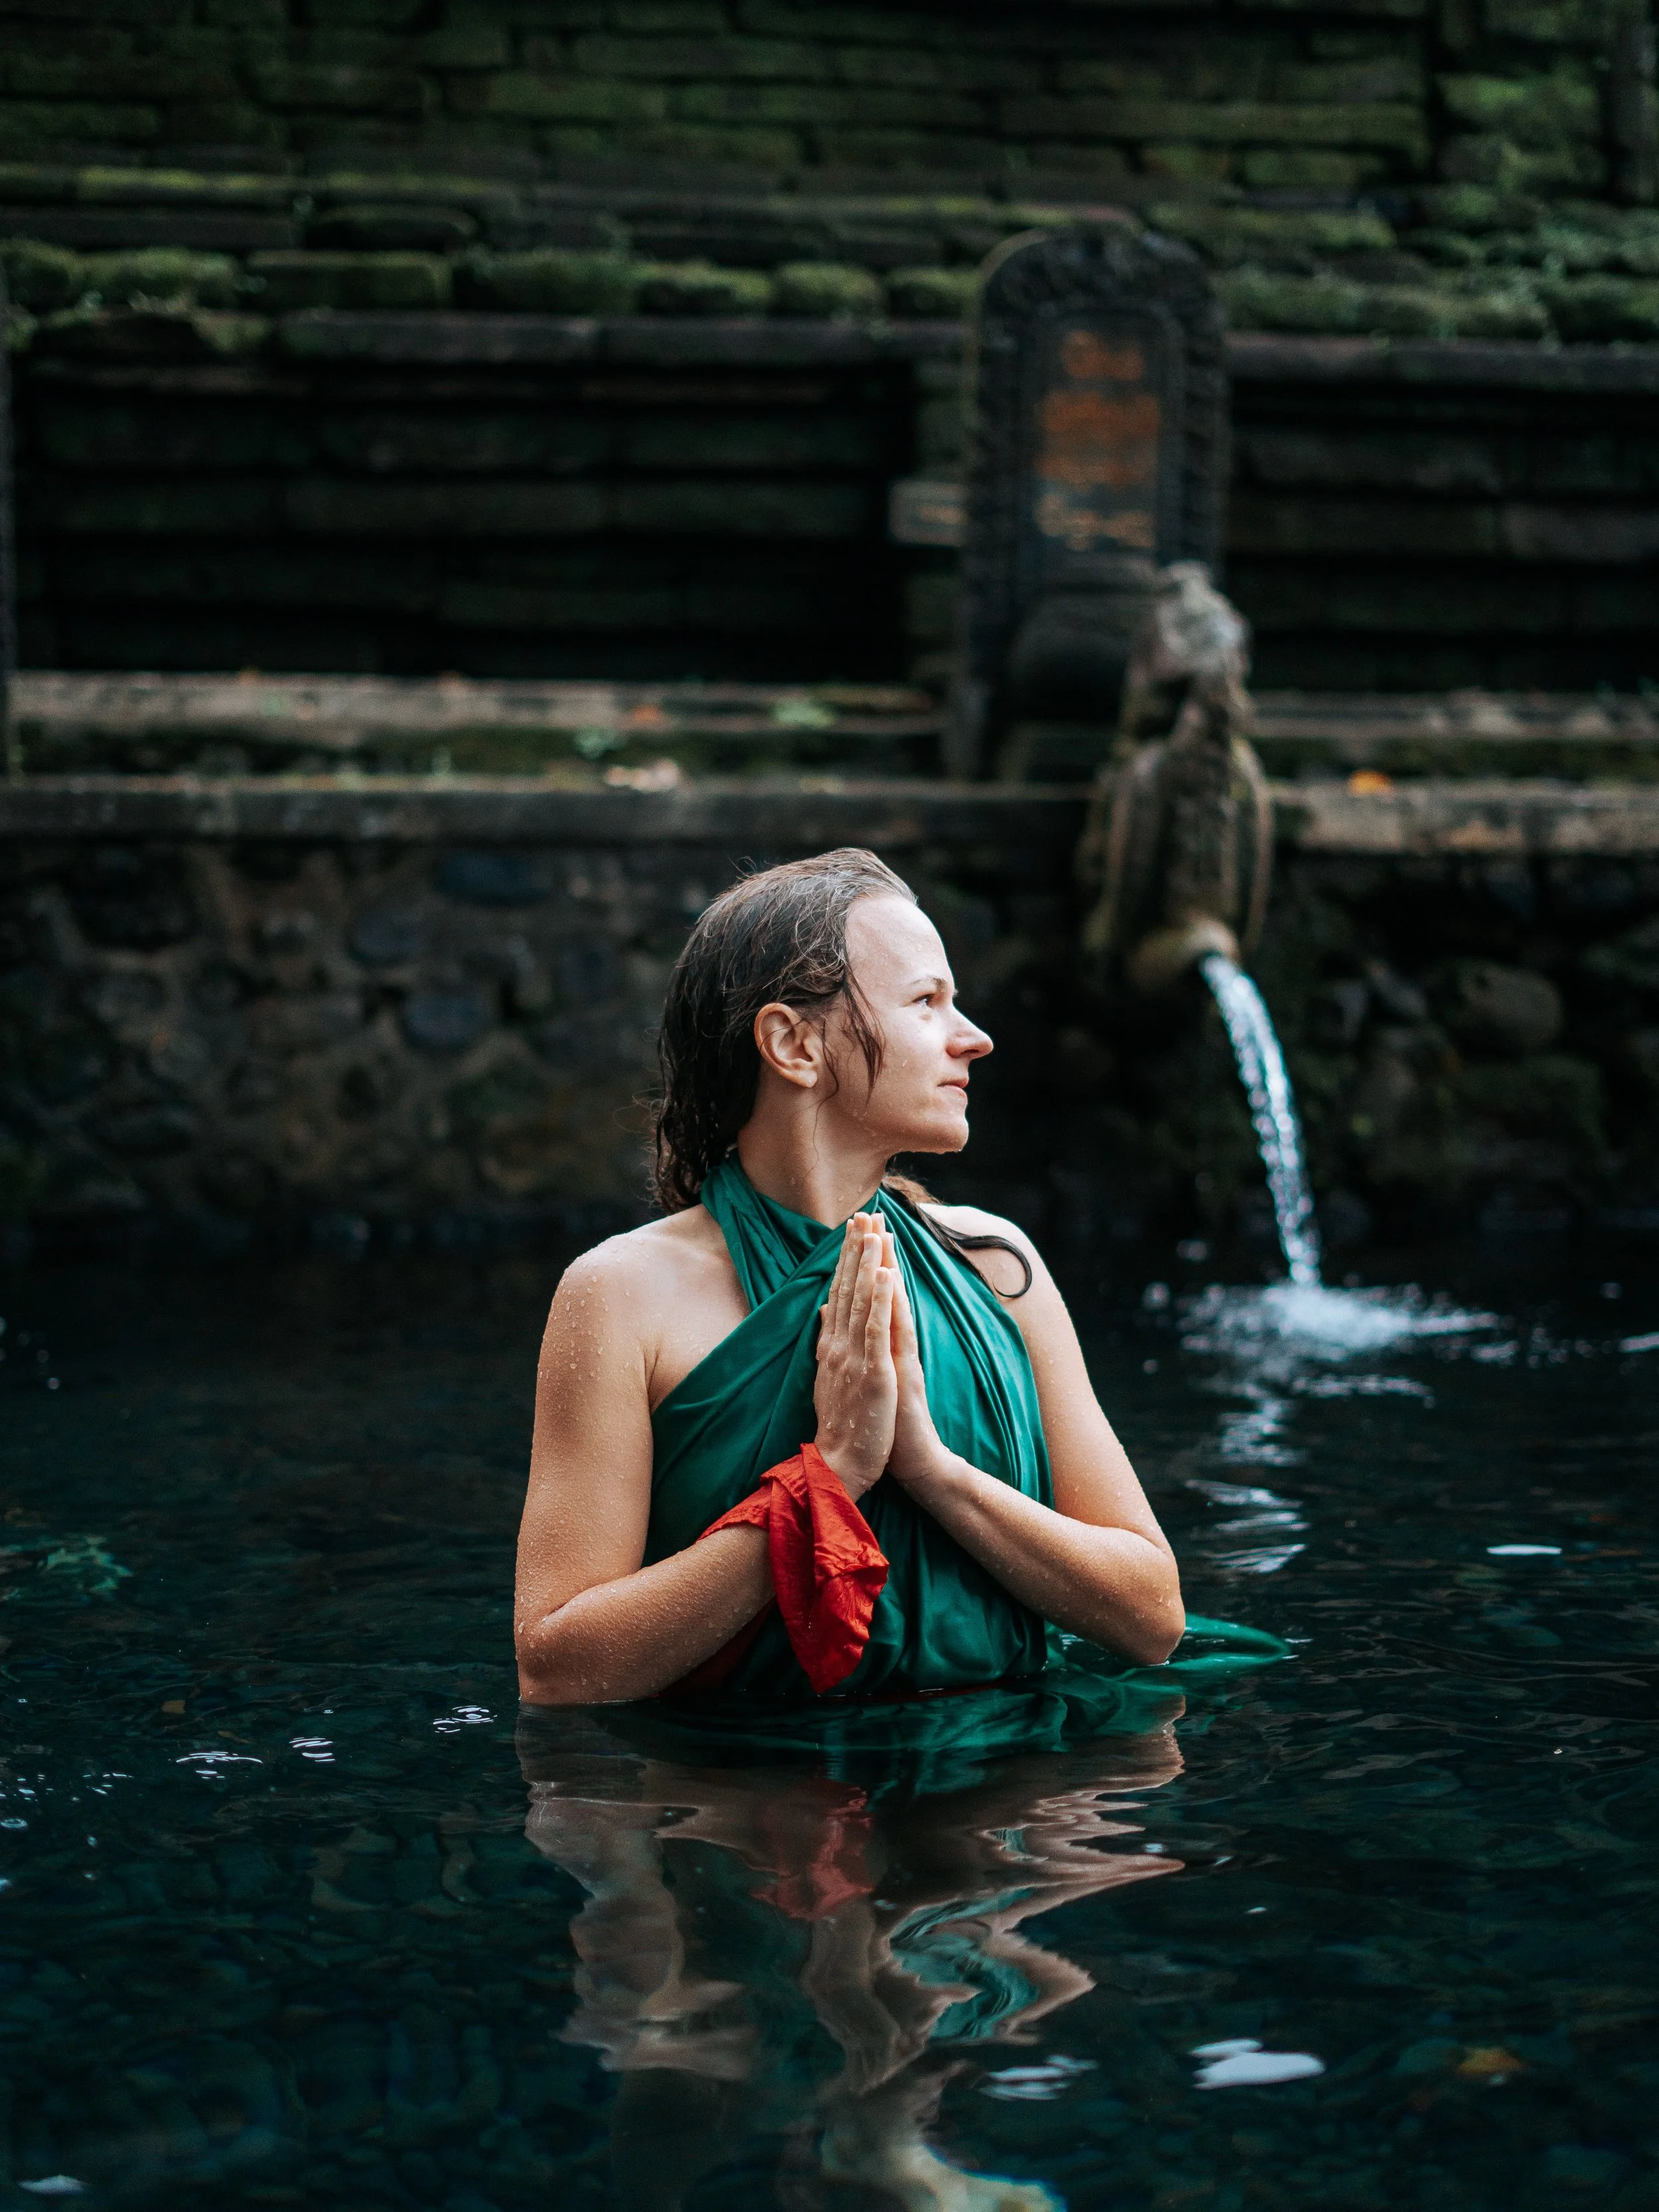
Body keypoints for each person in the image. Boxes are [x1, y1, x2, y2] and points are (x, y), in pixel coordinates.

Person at [514, 847, 1185, 1708]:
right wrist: (830, 1477)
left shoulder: (996, 1268)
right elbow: (558, 1667)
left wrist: (931, 1470)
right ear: (794, 1044)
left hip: (1007, 1800)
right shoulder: (621, 1296)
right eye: (927, 1002)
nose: (973, 1037)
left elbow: (1153, 1617)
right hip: (743, 1807)